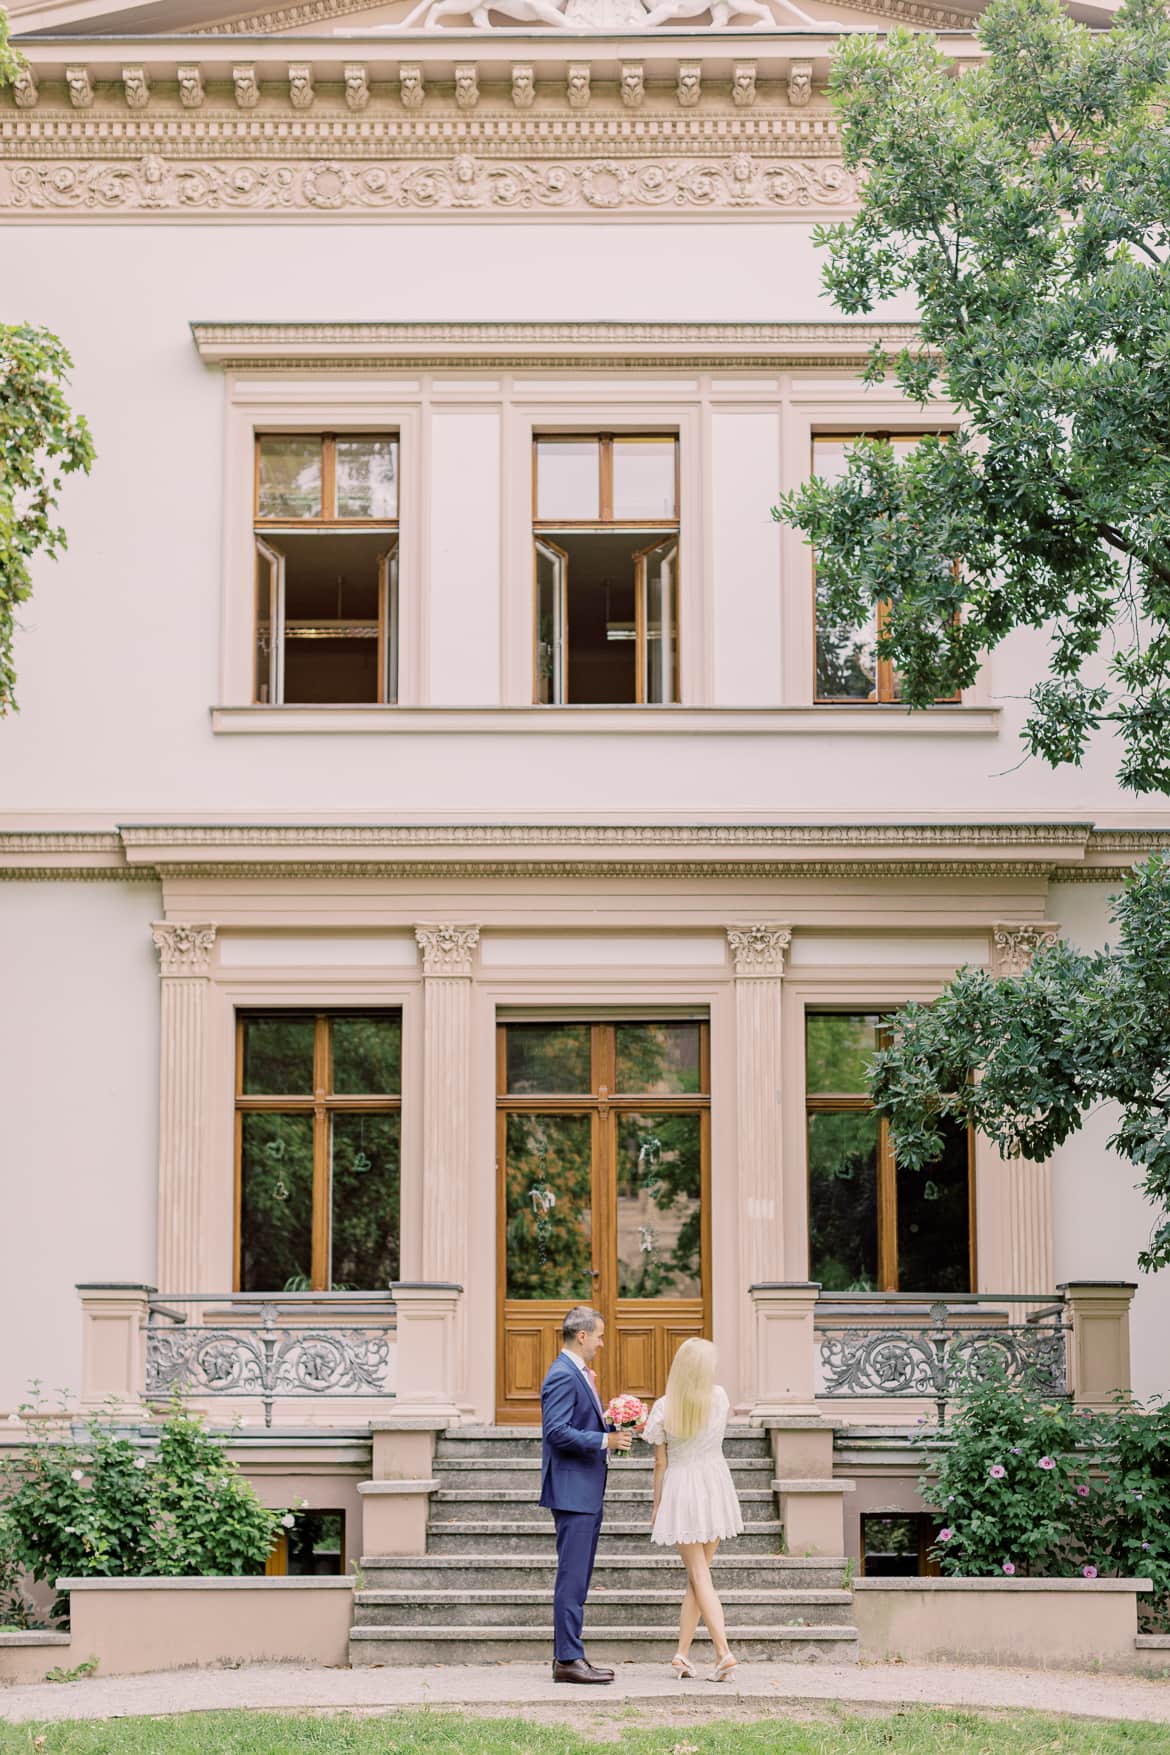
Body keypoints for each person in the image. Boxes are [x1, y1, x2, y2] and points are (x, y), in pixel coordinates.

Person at [539, 1306, 634, 1684]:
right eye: (598, 1336)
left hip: (584, 1489)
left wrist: (614, 1424)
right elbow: (557, 1431)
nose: (601, 1342)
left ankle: (570, 1655)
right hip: (572, 1491)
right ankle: (567, 1659)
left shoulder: (577, 1373)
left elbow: (576, 1422)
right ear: (581, 1336)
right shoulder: (562, 1374)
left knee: (578, 1576)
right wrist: (603, 1439)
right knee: (572, 1578)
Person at [641, 1336, 744, 1681]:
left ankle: (722, 1652)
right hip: (714, 1484)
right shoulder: (719, 1398)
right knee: (699, 1577)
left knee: (699, 1576)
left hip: (683, 1487)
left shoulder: (664, 1407)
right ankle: (682, 1655)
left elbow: (660, 1463)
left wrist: (657, 1505)